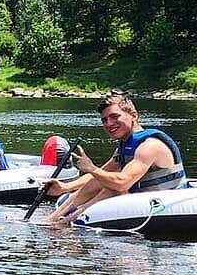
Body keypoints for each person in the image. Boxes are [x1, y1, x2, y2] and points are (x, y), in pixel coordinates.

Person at [47, 91, 186, 223]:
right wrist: (65, 187)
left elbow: (121, 184)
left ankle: (68, 220)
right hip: (141, 199)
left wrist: (91, 168)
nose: (109, 124)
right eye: (104, 120)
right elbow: (99, 176)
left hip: (168, 204)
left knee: (112, 188)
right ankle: (52, 219)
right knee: (102, 180)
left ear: (134, 115)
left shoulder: (149, 146)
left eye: (114, 117)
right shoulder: (126, 145)